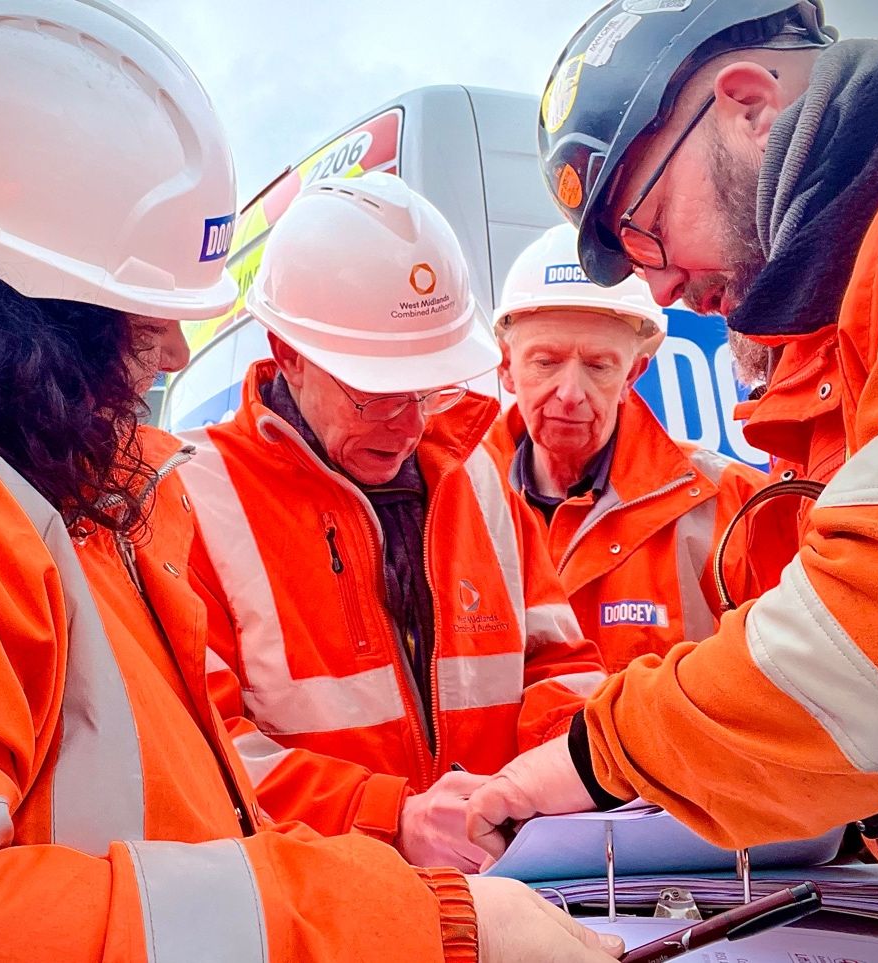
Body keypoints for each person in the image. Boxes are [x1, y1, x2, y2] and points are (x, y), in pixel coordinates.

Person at [0, 3, 627, 961]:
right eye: (146, 307)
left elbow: (193, 811)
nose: (175, 349)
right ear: (24, 298)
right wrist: (405, 909)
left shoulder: (59, 480)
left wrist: (519, 802)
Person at [466, 0, 878, 954]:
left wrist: (597, 752)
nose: (657, 287)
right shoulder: (877, 310)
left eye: (649, 226)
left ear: (748, 105)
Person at [159, 171, 608, 872]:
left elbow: (558, 662)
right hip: (332, 911)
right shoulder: (192, 500)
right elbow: (200, 754)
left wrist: (553, 776)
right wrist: (388, 816)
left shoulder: (477, 474)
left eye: (426, 388)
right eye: (375, 394)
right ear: (287, 356)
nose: (409, 424)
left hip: (510, 887)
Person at [485, 224, 794, 671]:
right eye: (546, 362)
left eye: (598, 365)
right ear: (507, 368)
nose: (570, 392)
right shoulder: (452, 500)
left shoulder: (735, 505)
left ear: (633, 374)